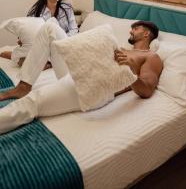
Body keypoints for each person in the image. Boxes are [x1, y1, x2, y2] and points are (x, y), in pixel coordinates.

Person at [0, 20, 163, 134]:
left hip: (94, 86)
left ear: (147, 33)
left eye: (136, 28)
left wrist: (131, 72)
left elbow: (147, 89)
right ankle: (23, 86)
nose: (130, 30)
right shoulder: (122, 48)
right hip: (79, 70)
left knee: (33, 100)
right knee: (49, 28)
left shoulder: (151, 57)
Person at [0, 0, 78, 65]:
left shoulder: (66, 7)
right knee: (24, 60)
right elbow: (28, 31)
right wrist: (22, 40)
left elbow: (74, 29)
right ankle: (45, 62)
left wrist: (62, 41)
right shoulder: (36, 10)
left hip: (63, 43)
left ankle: (47, 63)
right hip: (44, 46)